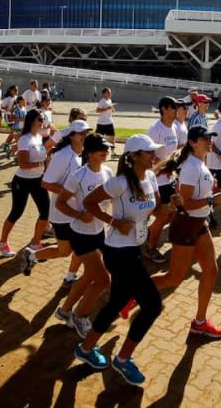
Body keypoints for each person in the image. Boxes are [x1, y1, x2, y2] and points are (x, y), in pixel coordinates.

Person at [74, 135, 162, 386]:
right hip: (117, 251)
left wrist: (173, 205)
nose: (153, 155)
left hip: (134, 248)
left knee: (117, 301)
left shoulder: (151, 177)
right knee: (153, 305)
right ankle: (122, 360)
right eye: (148, 152)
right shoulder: (119, 182)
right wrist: (113, 221)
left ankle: (86, 348)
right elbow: (89, 202)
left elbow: (154, 208)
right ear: (134, 156)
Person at [150, 125, 221, 338]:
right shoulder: (192, 166)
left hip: (199, 223)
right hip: (186, 224)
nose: (209, 141)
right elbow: (185, 204)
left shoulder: (199, 163)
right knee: (174, 278)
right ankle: (132, 292)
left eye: (210, 137)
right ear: (193, 142)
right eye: (204, 138)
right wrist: (212, 199)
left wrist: (210, 190)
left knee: (211, 271)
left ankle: (199, 322)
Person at [53, 133, 114, 339]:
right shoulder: (78, 177)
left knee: (89, 276)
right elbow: (60, 203)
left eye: (107, 148)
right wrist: (79, 214)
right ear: (89, 153)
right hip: (81, 235)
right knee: (103, 280)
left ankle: (64, 310)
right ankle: (80, 316)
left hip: (99, 233)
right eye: (101, 149)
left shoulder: (107, 172)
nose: (106, 152)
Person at [18, 120, 92, 279]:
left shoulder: (83, 154)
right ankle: (31, 256)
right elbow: (46, 183)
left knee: (82, 246)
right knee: (64, 251)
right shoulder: (63, 156)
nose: (84, 136)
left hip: (77, 211)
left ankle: (70, 277)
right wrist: (71, 193)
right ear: (71, 136)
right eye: (81, 133)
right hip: (61, 214)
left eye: (87, 133)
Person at [0, 109, 48, 257]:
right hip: (22, 181)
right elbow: (23, 164)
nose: (42, 122)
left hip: (38, 180)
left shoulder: (38, 136)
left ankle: (36, 243)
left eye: (43, 119)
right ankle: (2, 242)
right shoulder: (25, 139)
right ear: (32, 121)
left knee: (45, 212)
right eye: (40, 119)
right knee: (16, 212)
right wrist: (41, 164)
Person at [143, 96, 184, 263]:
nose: (177, 110)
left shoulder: (174, 127)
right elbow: (145, 156)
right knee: (162, 217)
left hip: (169, 180)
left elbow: (174, 150)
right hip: (156, 183)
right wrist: (164, 165)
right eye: (174, 107)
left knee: (170, 215)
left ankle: (148, 235)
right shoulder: (155, 130)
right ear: (164, 109)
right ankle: (150, 248)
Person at [95, 87, 116, 152]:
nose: (110, 93)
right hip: (102, 123)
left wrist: (112, 109)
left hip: (109, 122)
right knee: (97, 139)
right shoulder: (102, 101)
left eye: (110, 92)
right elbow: (97, 110)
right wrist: (106, 108)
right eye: (108, 92)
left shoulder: (110, 100)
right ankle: (93, 150)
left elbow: (110, 108)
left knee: (112, 137)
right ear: (104, 94)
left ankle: (113, 153)